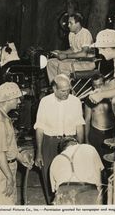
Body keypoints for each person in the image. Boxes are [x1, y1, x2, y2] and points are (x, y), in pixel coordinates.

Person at [34, 73, 85, 204]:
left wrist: (81, 148)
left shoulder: (75, 101)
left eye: (68, 90)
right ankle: (51, 204)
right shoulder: (45, 102)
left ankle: (67, 205)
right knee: (48, 174)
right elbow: (40, 127)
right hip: (49, 142)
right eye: (63, 91)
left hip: (70, 142)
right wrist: (39, 153)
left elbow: (79, 125)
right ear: (54, 89)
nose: (66, 93)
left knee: (69, 174)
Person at [0, 82, 33, 204]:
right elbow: (0, 155)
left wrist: (21, 158)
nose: (19, 101)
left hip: (4, 169)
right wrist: (9, 178)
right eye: (17, 98)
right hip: (0, 172)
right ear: (9, 99)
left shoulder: (3, 116)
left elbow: (9, 147)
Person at [49, 136, 104, 205]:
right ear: (76, 142)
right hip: (88, 191)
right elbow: (99, 176)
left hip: (64, 193)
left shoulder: (55, 160)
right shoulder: (89, 148)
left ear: (63, 150)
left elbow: (54, 190)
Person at [46, 13, 95, 83]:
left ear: (78, 24)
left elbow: (84, 54)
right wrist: (60, 52)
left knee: (63, 66)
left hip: (87, 63)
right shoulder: (71, 34)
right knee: (50, 63)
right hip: (76, 61)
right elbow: (72, 49)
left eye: (70, 23)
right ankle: (55, 86)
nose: (68, 25)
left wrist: (66, 56)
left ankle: (65, 88)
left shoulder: (85, 33)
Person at [84, 72, 115, 160]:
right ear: (92, 86)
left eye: (100, 85)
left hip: (110, 133)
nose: (98, 88)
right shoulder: (89, 99)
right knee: (96, 160)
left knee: (110, 161)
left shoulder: (111, 98)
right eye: (95, 86)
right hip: (96, 134)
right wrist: (86, 140)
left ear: (105, 84)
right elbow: (87, 120)